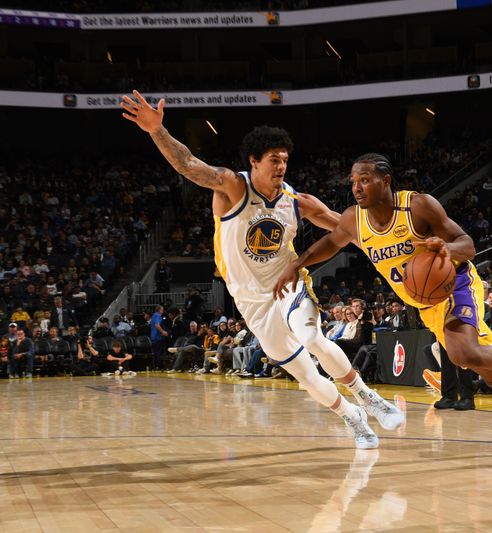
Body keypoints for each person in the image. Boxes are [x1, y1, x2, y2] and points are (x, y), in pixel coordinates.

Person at [122, 90, 403, 449]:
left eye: (285, 159)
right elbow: (188, 164)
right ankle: (351, 416)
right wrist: (156, 131)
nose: (282, 166)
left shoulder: (296, 201)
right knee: (302, 373)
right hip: (250, 300)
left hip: (287, 283)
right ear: (254, 161)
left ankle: (367, 397)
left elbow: (348, 231)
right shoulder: (231, 187)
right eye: (274, 159)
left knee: (313, 338)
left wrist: (395, 252)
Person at [274, 152, 492, 453]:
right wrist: (298, 263)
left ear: (386, 180)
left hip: (456, 284)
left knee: (463, 354)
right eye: (353, 181)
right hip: (426, 304)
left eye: (365, 179)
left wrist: (447, 249)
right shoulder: (354, 220)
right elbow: (330, 242)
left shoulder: (418, 207)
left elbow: (468, 244)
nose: (357, 187)